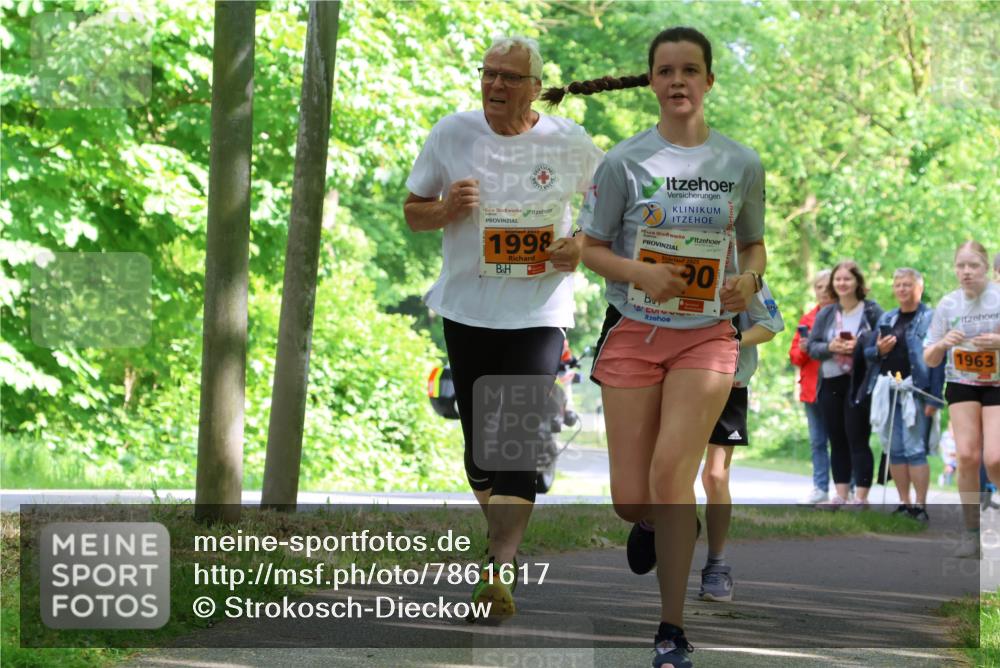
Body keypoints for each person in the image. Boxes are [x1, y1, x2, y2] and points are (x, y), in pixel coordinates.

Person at [547, 26, 767, 667]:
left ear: (708, 80)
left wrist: (749, 277)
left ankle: (671, 631)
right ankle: (647, 522)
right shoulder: (624, 162)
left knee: (674, 478)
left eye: (690, 70)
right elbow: (588, 246)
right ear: (652, 81)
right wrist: (641, 273)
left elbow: (752, 243)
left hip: (705, 339)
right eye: (666, 70)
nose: (678, 81)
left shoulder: (741, 162)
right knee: (632, 498)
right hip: (634, 336)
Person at [403, 36, 602, 617]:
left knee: (516, 438)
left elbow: (609, 208)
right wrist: (444, 210)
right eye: (488, 74)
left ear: (536, 87)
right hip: (467, 307)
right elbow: (414, 211)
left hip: (538, 311)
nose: (495, 86)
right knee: (480, 452)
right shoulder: (451, 132)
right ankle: (503, 544)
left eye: (510, 78)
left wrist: (580, 246)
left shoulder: (568, 142)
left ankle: (499, 570)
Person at [699, 281, 784, 602]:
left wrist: (730, 341)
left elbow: (772, 324)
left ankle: (716, 565)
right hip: (678, 379)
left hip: (730, 381)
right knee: (669, 472)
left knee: (715, 475)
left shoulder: (750, 278)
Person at [924, 241, 1000, 558]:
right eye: (961, 266)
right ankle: (971, 532)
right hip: (961, 382)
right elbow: (929, 357)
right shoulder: (948, 305)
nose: (966, 272)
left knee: (994, 458)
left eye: (973, 266)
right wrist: (943, 343)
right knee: (967, 456)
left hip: (996, 383)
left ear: (986, 268)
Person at [862, 268, 943, 522]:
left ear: (919, 287)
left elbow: (939, 360)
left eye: (907, 284)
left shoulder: (931, 317)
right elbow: (869, 355)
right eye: (898, 285)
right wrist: (878, 349)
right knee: (895, 449)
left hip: (916, 392)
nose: (902, 289)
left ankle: (920, 506)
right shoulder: (888, 316)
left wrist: (934, 399)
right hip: (889, 392)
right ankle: (904, 503)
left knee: (914, 449)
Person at [806, 261, 883, 509]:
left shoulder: (872, 312)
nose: (841, 283)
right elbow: (811, 346)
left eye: (847, 279)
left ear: (858, 283)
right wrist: (831, 347)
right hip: (830, 382)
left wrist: (858, 349)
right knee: (836, 438)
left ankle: (860, 497)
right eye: (837, 279)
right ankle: (840, 495)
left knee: (857, 438)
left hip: (859, 382)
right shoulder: (827, 313)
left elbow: (880, 349)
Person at [789, 269, 834, 504]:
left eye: (828, 286)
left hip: (837, 389)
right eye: (819, 287)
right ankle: (820, 488)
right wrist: (803, 350)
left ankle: (850, 489)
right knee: (817, 441)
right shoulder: (807, 320)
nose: (824, 291)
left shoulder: (843, 315)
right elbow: (794, 357)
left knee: (841, 440)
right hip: (811, 390)